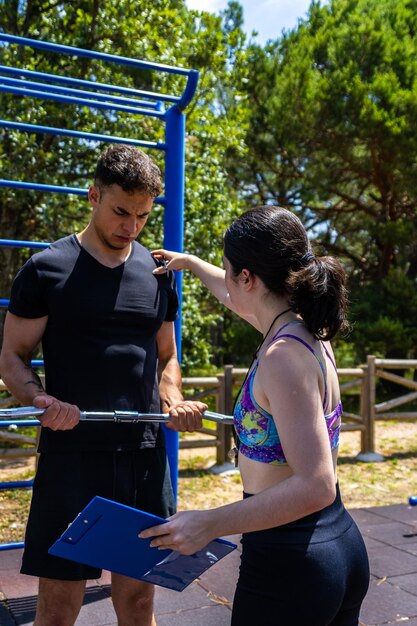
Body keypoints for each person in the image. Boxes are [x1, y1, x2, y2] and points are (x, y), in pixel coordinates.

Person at [0, 144, 206, 626]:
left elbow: (167, 355)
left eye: (141, 215)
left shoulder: (157, 274)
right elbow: (12, 356)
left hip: (143, 456)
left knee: (138, 602)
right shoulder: (47, 268)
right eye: (120, 212)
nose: (130, 226)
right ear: (93, 195)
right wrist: (38, 398)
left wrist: (172, 397)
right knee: (57, 610)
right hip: (71, 454)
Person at [142, 205, 370, 625]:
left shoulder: (282, 357)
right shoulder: (303, 329)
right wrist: (190, 264)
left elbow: (316, 484)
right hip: (334, 545)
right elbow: (233, 296)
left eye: (229, 270)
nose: (225, 279)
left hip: (293, 560)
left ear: (247, 277)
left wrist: (208, 523)